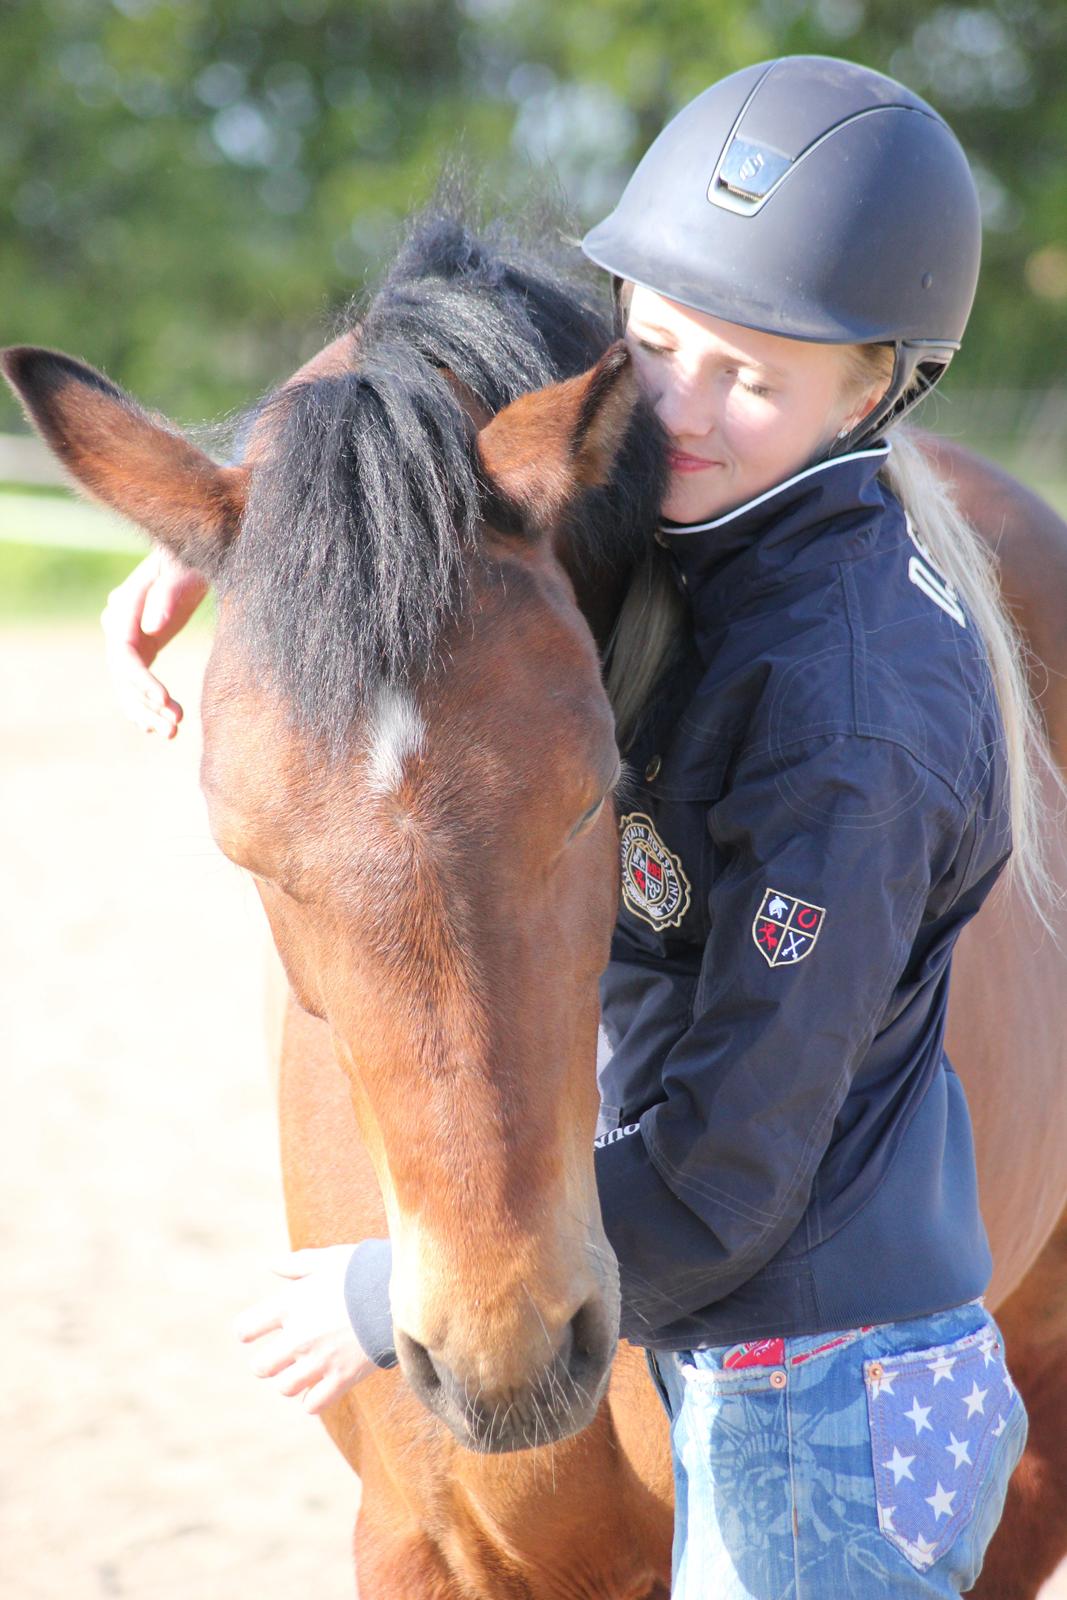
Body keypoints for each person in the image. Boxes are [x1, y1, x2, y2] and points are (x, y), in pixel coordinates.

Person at [102, 56, 1060, 1597]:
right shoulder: (683, 465)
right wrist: (252, 528)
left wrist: (378, 1290)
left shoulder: (849, 724)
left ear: (876, 388)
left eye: (756, 376)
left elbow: (739, 1171)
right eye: (661, 341)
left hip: (823, 1405)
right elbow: (453, 341)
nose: (677, 407)